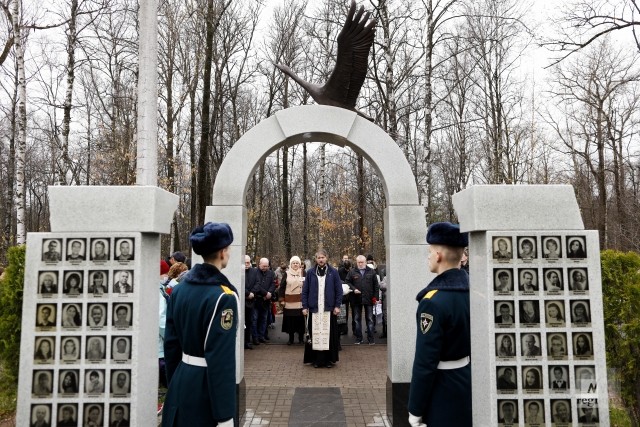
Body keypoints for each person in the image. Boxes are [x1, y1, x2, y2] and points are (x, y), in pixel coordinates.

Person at [163, 222, 239, 427]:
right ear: (223, 252)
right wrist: (225, 415)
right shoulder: (224, 298)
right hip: (206, 392)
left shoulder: (178, 291)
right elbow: (221, 360)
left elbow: (171, 346)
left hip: (181, 383)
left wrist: (175, 383)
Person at [408, 222, 470, 427]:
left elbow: (425, 362)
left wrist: (415, 410)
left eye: (430, 251)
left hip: (443, 389)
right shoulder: (474, 292)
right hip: (468, 382)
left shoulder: (432, 302)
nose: (428, 256)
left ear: (439, 256)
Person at [301, 248, 343, 368]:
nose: (321, 260)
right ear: (316, 259)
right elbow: (305, 291)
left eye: (322, 257)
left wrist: (337, 305)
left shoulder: (333, 272)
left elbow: (338, 290)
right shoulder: (310, 272)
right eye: (319, 258)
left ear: (326, 258)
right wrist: (304, 306)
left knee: (328, 335)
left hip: (328, 309)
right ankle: (316, 360)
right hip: (314, 308)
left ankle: (329, 360)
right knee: (315, 334)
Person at [345, 255, 380, 345]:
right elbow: (347, 282)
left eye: (362, 262)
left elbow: (376, 286)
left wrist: (376, 298)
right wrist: (353, 289)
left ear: (365, 262)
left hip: (369, 299)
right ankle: (358, 338)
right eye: (358, 262)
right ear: (356, 262)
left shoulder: (371, 272)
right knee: (356, 319)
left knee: (370, 319)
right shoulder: (352, 272)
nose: (360, 264)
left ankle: (371, 339)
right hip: (356, 299)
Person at [280, 256, 306, 345]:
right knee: (290, 321)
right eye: (293, 263)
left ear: (300, 264)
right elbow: (282, 288)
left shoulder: (303, 273)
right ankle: (290, 339)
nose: (295, 264)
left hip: (300, 301)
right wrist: (282, 300)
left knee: (300, 321)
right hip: (289, 302)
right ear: (291, 264)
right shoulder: (286, 274)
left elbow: (307, 286)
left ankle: (301, 339)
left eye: (297, 263)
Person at [249, 257, 276, 345]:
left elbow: (273, 284)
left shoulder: (271, 273)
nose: (265, 268)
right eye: (263, 266)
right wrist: (266, 293)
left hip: (266, 300)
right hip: (257, 299)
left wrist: (270, 293)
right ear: (259, 264)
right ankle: (255, 337)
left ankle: (261, 336)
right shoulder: (254, 272)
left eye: (267, 266)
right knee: (255, 319)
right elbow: (257, 285)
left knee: (264, 319)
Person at [244, 255, 257, 349]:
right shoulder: (238, 271)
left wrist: (252, 292)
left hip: (251, 300)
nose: (246, 264)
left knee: (249, 321)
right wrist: (247, 293)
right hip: (242, 299)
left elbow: (258, 283)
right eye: (245, 262)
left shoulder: (254, 271)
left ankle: (247, 341)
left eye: (248, 262)